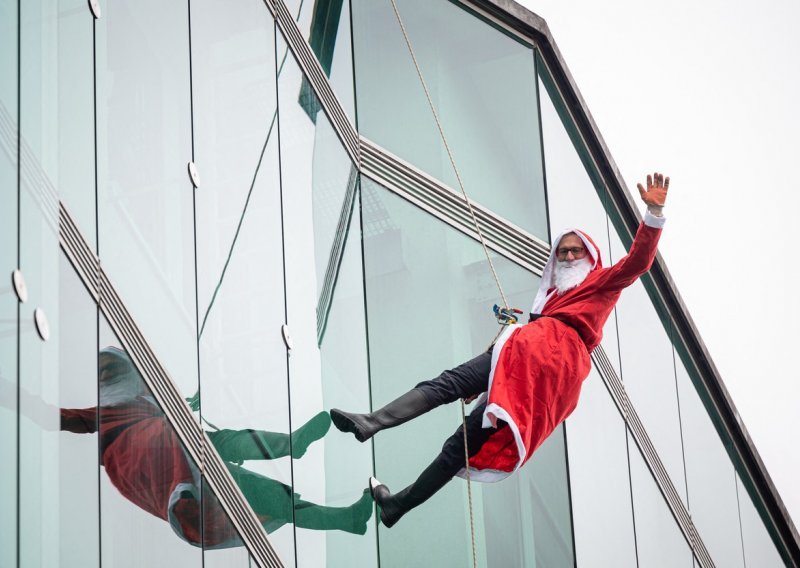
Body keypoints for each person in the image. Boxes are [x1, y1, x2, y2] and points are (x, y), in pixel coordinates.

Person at [331, 172, 670, 528]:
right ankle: (392, 491)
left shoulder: (601, 284)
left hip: (544, 367)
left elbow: (637, 263)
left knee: (454, 413)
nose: (569, 256)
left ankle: (375, 433)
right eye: (563, 251)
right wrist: (486, 383)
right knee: (456, 427)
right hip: (520, 357)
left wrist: (654, 214)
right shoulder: (551, 301)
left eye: (576, 250)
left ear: (590, 257)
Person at [60, 346, 373, 547]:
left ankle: (342, 513)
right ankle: (294, 449)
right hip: (189, 497)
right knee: (251, 474)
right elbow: (72, 419)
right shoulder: (114, 415)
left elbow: (167, 410)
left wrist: (187, 404)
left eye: (115, 371)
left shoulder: (147, 412)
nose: (110, 378)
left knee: (263, 483)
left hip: (191, 468)